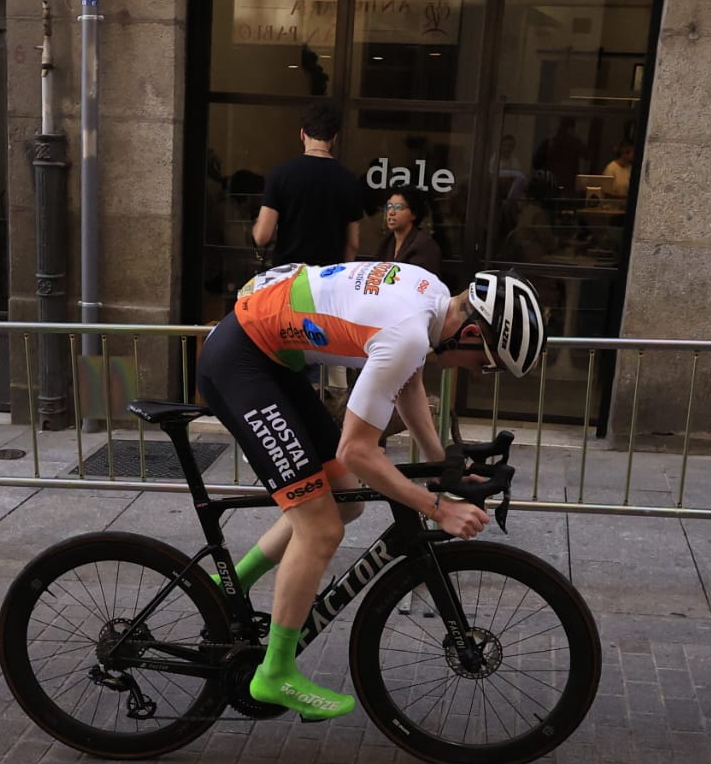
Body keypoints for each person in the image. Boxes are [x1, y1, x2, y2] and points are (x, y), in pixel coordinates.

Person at [194, 263, 547, 720]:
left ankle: (228, 585)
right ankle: (274, 672)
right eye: (486, 363)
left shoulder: (430, 296)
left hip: (269, 361)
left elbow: (408, 382)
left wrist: (441, 468)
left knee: (347, 500)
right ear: (472, 334)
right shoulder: (409, 334)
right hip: (241, 362)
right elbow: (358, 450)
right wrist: (438, 509)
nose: (479, 374)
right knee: (320, 529)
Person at [252, 100, 363, 266]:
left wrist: (256, 226)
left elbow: (262, 236)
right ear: (334, 138)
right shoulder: (349, 181)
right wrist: (341, 272)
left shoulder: (280, 176)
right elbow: (353, 243)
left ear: (302, 134)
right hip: (328, 275)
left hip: (289, 274)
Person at [372, 188, 443, 273]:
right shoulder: (387, 242)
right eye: (389, 206)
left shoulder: (425, 245)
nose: (391, 212)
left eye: (398, 207)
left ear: (414, 214)